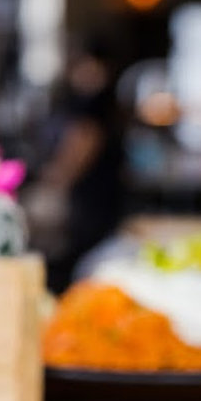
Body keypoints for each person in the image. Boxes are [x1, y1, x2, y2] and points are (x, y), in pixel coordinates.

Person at [28, 38, 125, 291]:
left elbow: (82, 143)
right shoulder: (98, 101)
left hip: (92, 198)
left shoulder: (95, 103)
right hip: (95, 196)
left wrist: (56, 180)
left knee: (77, 262)